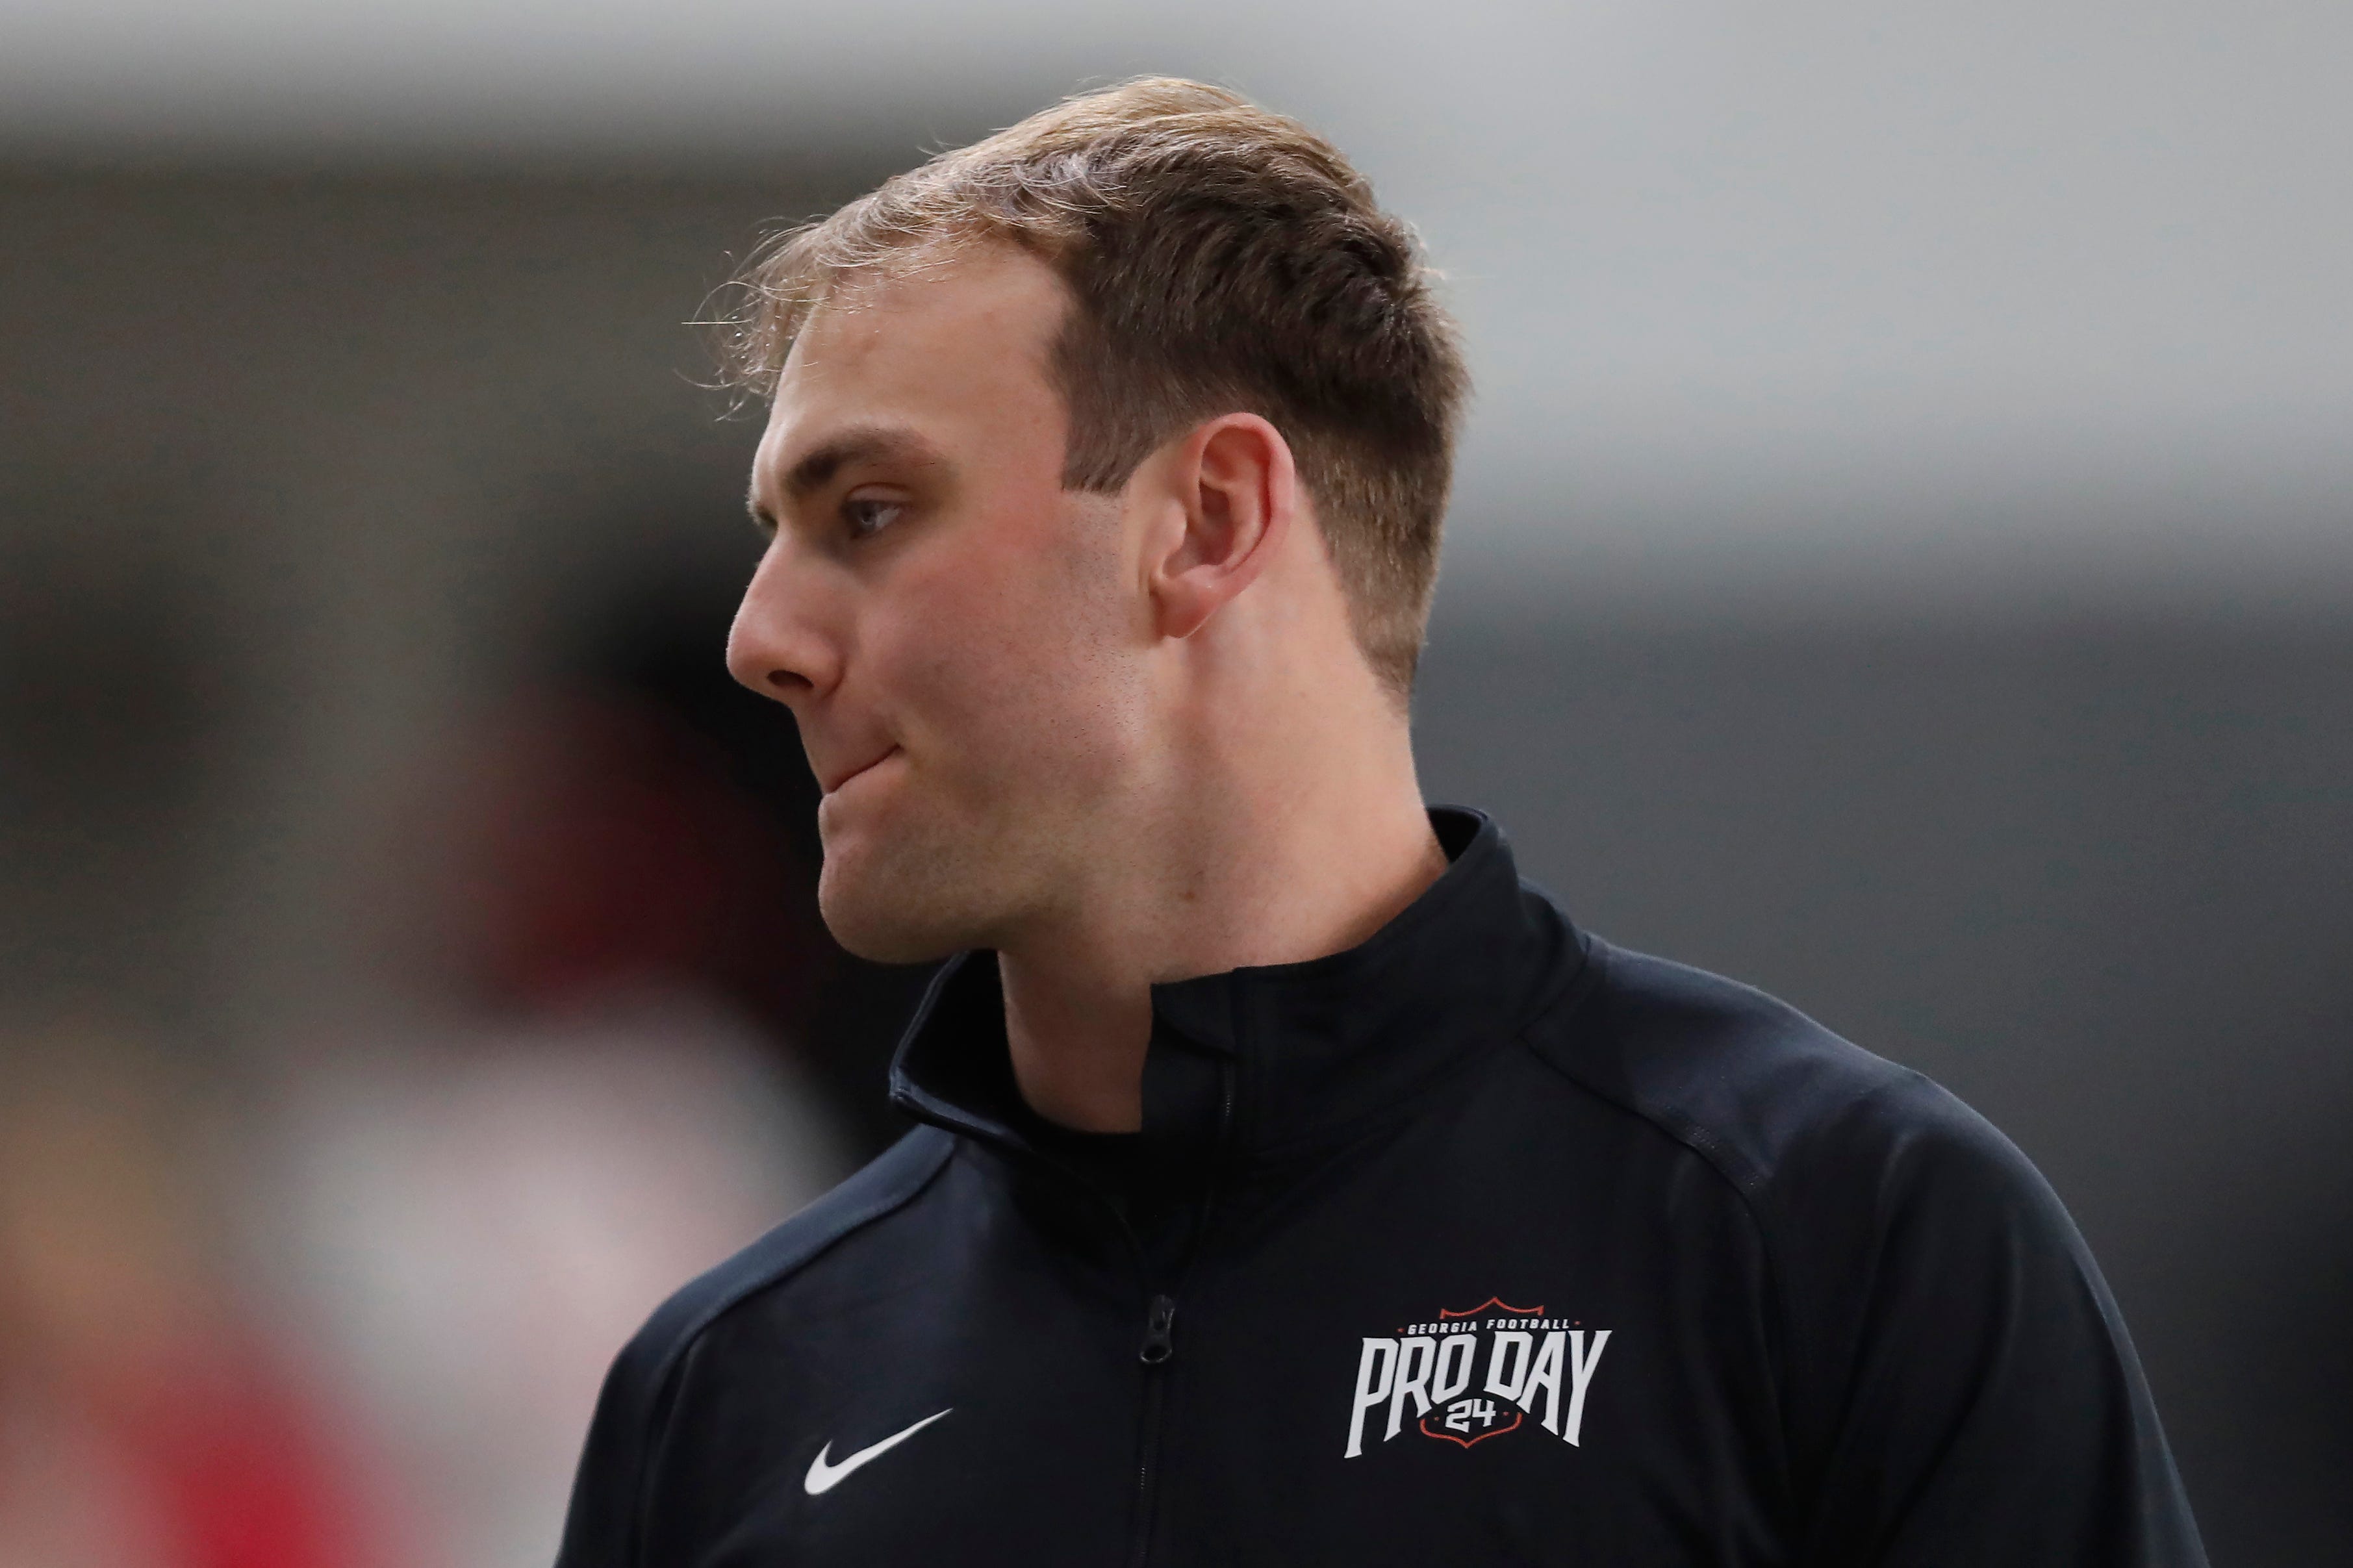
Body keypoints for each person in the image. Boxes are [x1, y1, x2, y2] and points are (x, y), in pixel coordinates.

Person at [556, 79, 2206, 1565]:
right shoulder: (733, 1385)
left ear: (1206, 522)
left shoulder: (1835, 1237)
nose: (759, 638)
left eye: (868, 511)